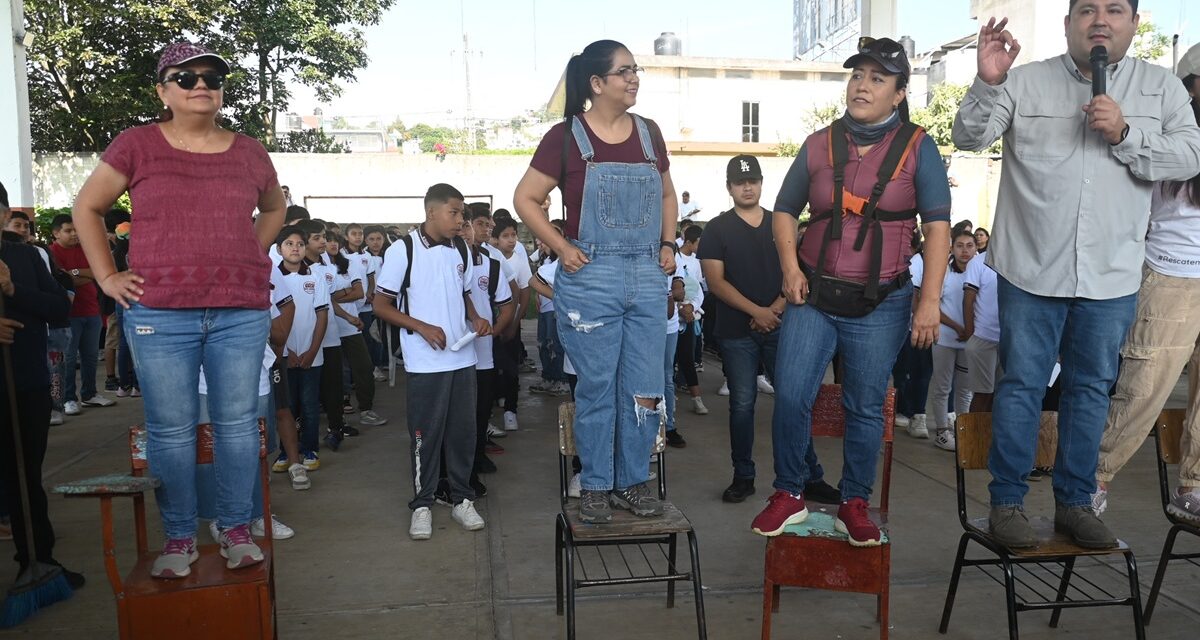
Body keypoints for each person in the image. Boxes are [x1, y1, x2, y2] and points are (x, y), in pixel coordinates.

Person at [952, 5, 1200, 549]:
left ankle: (1075, 502)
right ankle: (1007, 502)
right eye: (1086, 8)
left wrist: (1128, 131)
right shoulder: (1025, 82)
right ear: (1068, 22)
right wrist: (987, 82)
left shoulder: (1160, 89)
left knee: (1090, 392)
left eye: (1115, 9)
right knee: (1021, 386)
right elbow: (969, 137)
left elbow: (1189, 155)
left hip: (1111, 277)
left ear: (1135, 23)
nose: (1100, 20)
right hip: (1030, 271)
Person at [71, 41, 286, 577]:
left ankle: (234, 526)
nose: (200, 85)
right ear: (163, 90)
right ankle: (180, 537)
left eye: (211, 76)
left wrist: (250, 253)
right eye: (185, 77)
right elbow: (88, 206)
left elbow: (275, 205)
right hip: (159, 313)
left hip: (240, 310)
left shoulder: (250, 151)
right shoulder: (136, 145)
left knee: (238, 425)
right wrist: (106, 276)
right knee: (171, 429)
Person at [755, 37, 951, 544]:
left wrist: (928, 302)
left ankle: (854, 501)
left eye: (877, 78)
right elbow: (783, 211)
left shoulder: (918, 146)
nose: (862, 85)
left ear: (899, 92)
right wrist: (788, 269)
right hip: (813, 296)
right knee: (792, 392)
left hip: (881, 303)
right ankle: (790, 492)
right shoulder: (819, 143)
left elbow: (938, 228)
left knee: (865, 405)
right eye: (857, 75)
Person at [513, 39, 678, 524]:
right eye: (625, 71)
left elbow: (668, 195)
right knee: (597, 387)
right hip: (590, 278)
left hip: (647, 275)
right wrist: (561, 247)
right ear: (597, 83)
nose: (634, 78)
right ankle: (597, 484)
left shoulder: (649, 134)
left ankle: (633, 481)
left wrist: (667, 246)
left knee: (646, 388)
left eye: (636, 70)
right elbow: (526, 198)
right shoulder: (565, 137)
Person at [1093, 47, 1200, 523]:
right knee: (1142, 389)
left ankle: (1193, 486)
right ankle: (1090, 481)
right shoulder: (1173, 134)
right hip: (1173, 272)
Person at [699, 155, 833, 505]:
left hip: (783, 326)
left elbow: (800, 273)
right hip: (736, 330)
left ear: (761, 183)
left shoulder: (781, 225)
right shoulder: (716, 228)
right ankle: (743, 476)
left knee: (794, 402)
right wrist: (757, 311)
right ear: (729, 187)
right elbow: (715, 282)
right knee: (742, 405)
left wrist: (774, 309)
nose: (747, 187)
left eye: (753, 180)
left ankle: (810, 475)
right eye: (739, 182)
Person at [374, 184, 491, 540]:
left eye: (463, 215)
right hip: (426, 362)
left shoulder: (461, 249)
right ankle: (422, 504)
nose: (461, 220)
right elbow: (381, 305)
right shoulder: (403, 250)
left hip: (462, 356)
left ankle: (461, 499)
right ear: (432, 213)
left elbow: (465, 292)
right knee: (426, 435)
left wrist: (474, 318)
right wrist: (421, 327)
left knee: (463, 433)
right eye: (454, 213)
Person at [0, 184, 84, 589]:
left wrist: (15, 290)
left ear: (3, 215)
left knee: (24, 475)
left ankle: (37, 559)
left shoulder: (24, 256)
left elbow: (58, 306)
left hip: (25, 384)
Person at [48, 214, 116, 415]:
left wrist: (75, 272)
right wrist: (82, 274)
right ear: (56, 233)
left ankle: (89, 394)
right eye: (68, 230)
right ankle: (69, 398)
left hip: (91, 309)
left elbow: (97, 272)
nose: (74, 234)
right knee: (68, 359)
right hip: (69, 313)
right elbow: (64, 281)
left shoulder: (85, 249)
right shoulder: (52, 253)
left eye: (75, 230)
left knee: (90, 356)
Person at [919, 228, 977, 450]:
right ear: (952, 248)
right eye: (960, 246)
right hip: (945, 337)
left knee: (965, 388)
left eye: (969, 246)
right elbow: (933, 305)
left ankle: (963, 430)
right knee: (943, 386)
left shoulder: (980, 271)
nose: (965, 251)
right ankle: (942, 430)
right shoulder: (943, 272)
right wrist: (957, 327)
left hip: (969, 340)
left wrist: (970, 331)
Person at [276, 226, 327, 471]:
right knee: (286, 406)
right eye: (289, 243)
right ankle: (287, 452)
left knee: (308, 405)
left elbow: (322, 317)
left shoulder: (315, 279)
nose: (295, 248)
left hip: (311, 356)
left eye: (299, 244)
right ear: (279, 249)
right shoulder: (272, 279)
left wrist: (311, 351)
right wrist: (288, 351)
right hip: (282, 355)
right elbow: (272, 319)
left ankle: (309, 449)